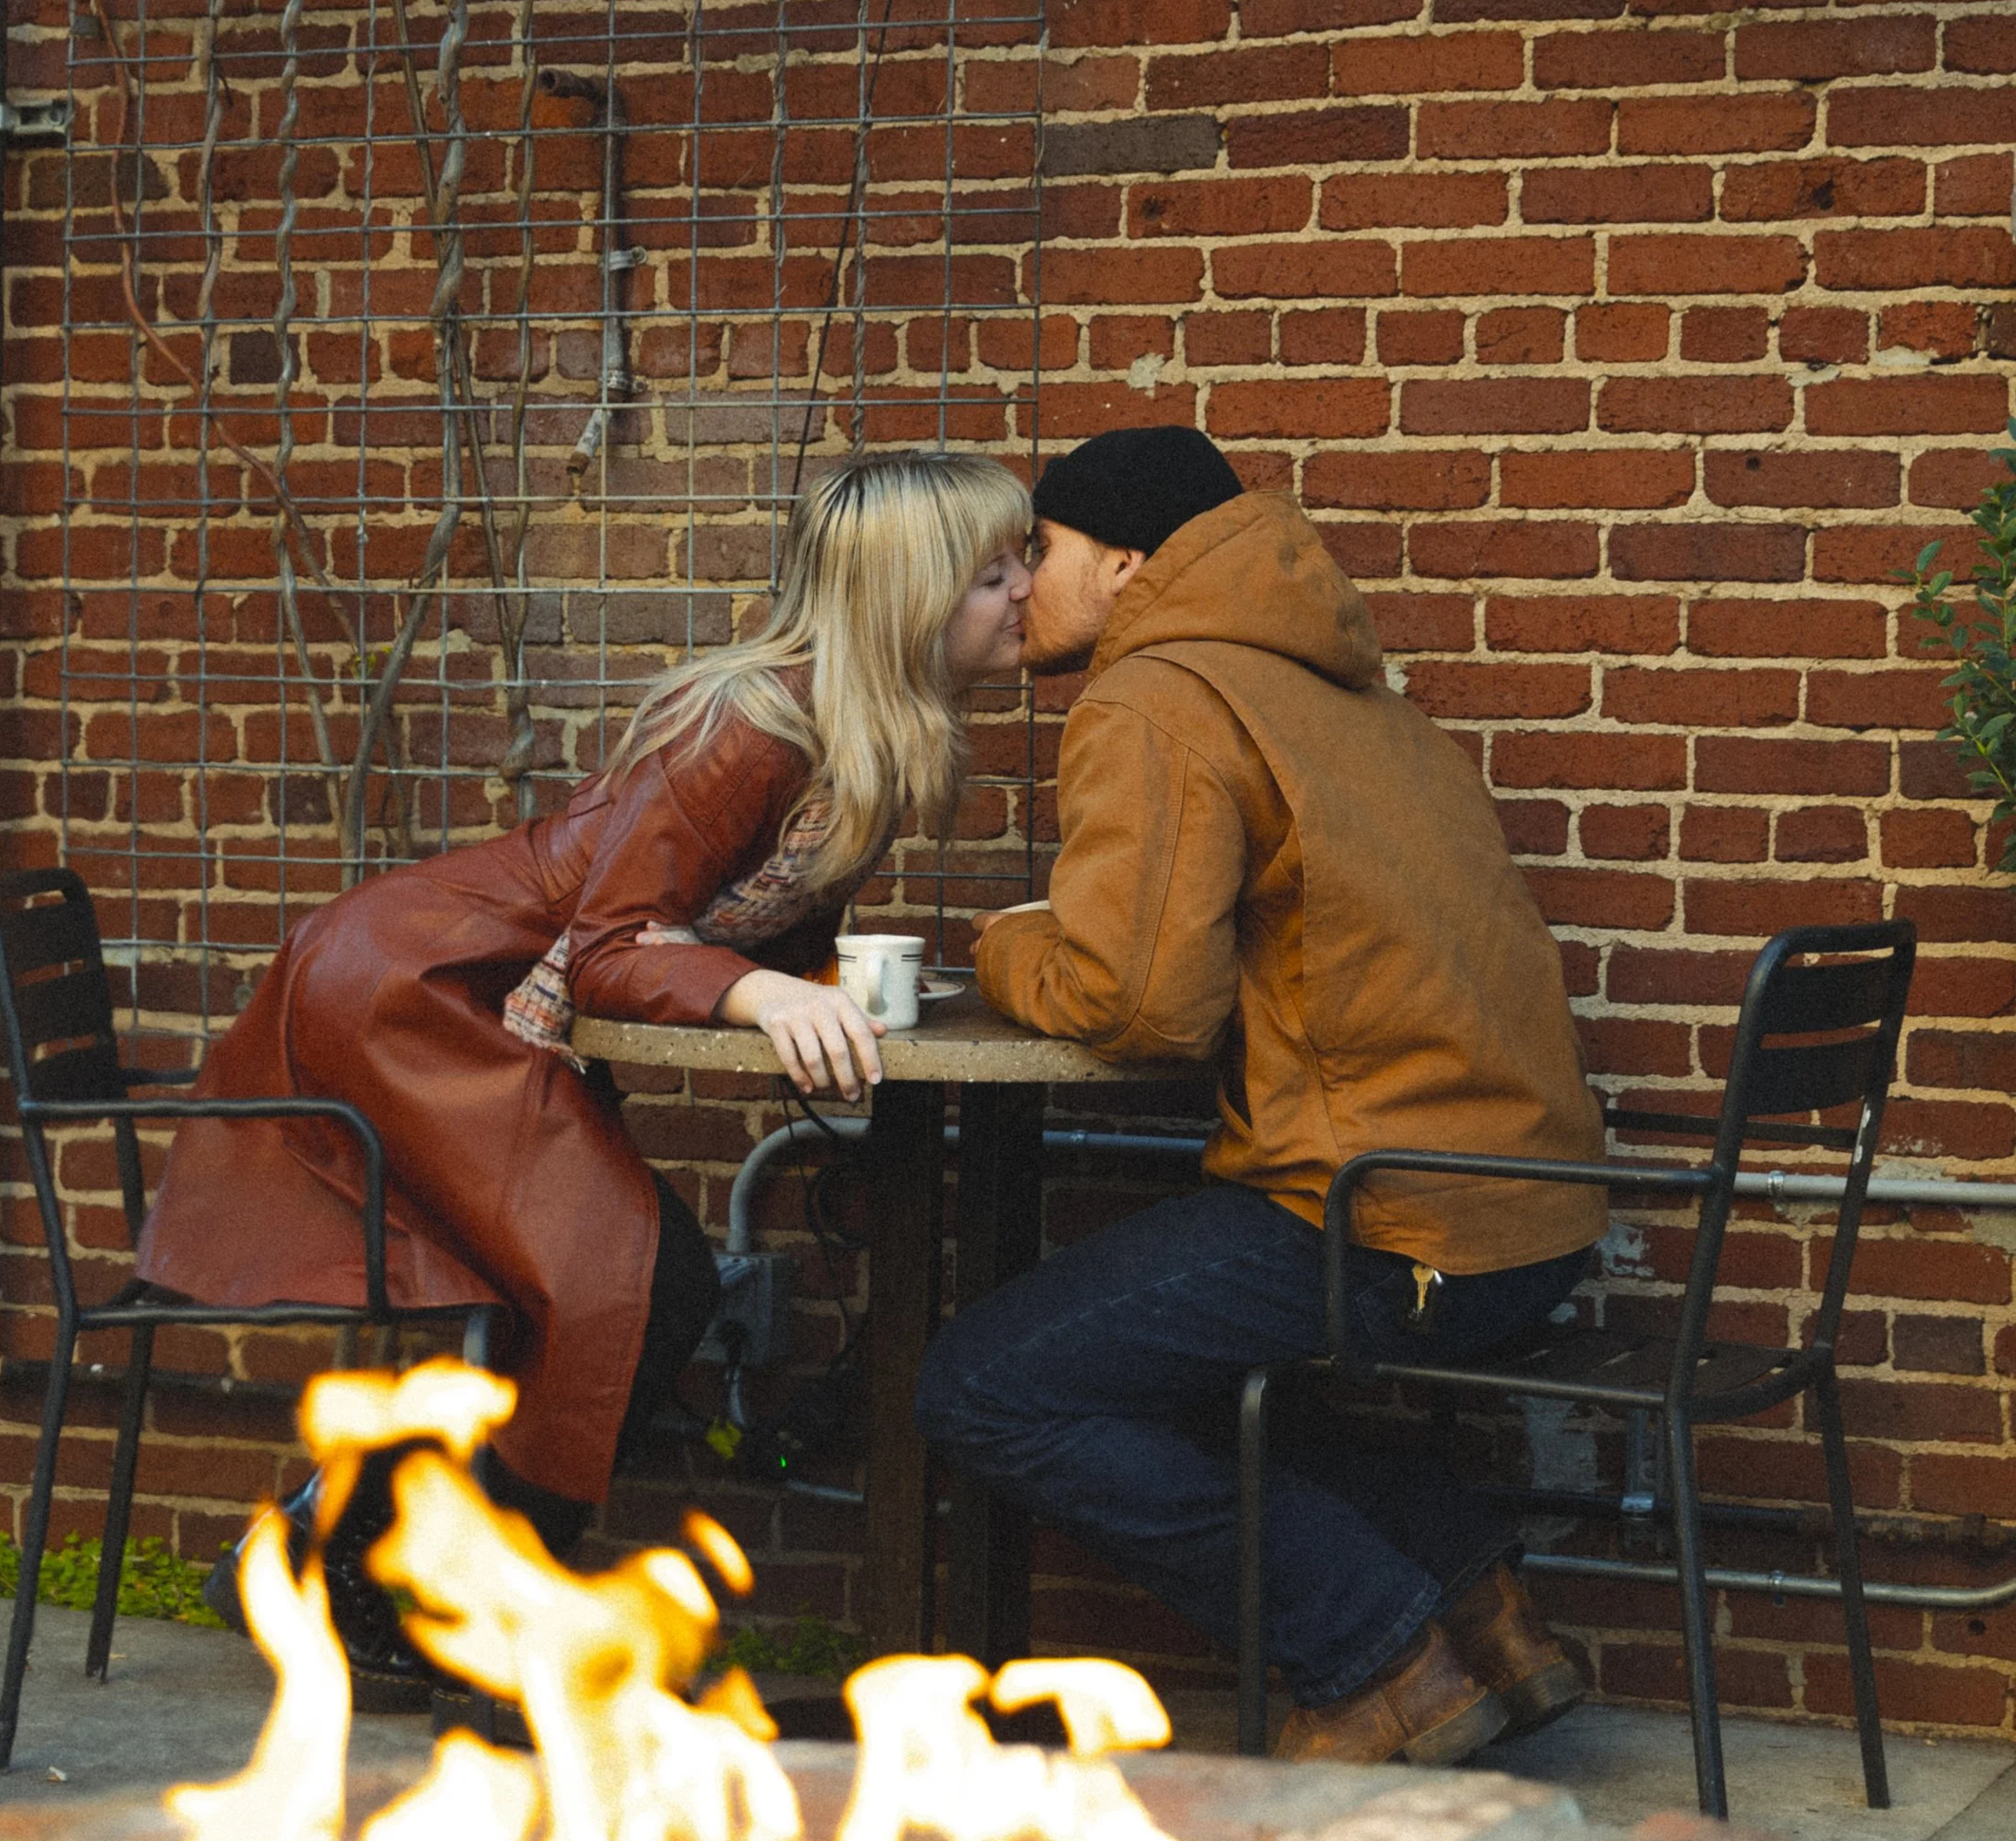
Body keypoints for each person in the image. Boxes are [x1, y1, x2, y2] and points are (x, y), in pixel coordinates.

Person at [136, 449, 1032, 1699]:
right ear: (912, 597)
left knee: (598, 1286)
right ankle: (440, 1596)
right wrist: (762, 992)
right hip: (423, 991)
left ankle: (341, 1555)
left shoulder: (856, 729)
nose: (1027, 593)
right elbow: (614, 945)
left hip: (470, 990)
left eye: (1025, 563)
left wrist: (813, 981)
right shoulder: (751, 730)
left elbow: (742, 909)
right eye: (996, 572)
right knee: (632, 1279)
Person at [914, 424, 1608, 1767]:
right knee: (1150, 1358)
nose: (1020, 579)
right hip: (1527, 1208)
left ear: (1125, 563)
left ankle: (1372, 1657)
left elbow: (1139, 1004)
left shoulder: (1154, 695)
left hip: (1389, 1215)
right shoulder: (1346, 686)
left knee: (987, 1384)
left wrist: (1004, 945)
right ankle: (1481, 1602)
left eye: (1038, 550)